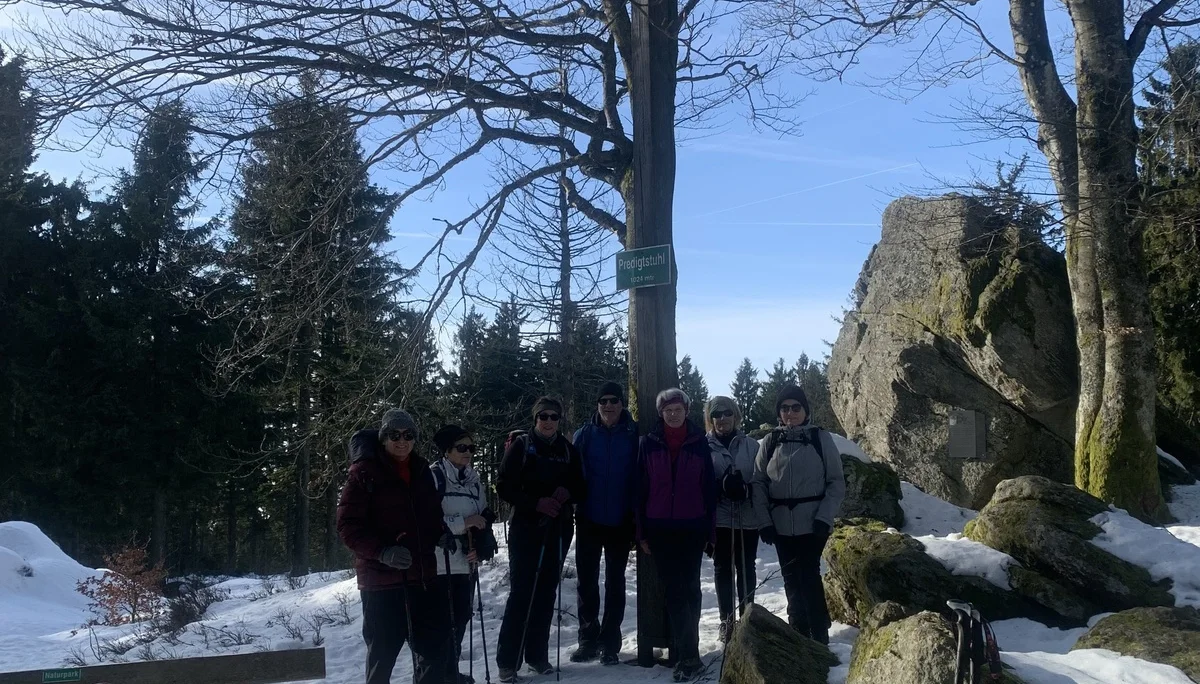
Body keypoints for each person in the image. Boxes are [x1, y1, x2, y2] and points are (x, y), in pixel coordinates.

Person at [337, 408, 449, 684]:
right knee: (382, 658)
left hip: (422, 579)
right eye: (394, 435)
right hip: (381, 585)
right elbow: (347, 526)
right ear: (383, 438)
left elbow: (432, 515)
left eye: (409, 434)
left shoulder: (422, 470)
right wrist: (382, 552)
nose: (402, 441)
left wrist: (440, 534)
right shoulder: (364, 473)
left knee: (434, 654)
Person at [495, 397, 587, 683]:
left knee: (546, 593)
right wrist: (535, 503)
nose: (548, 422)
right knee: (523, 593)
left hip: (558, 528)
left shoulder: (567, 450)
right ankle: (508, 662)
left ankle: (536, 655)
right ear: (534, 419)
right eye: (543, 417)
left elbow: (580, 486)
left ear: (560, 420)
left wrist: (566, 492)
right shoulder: (522, 447)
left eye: (553, 417)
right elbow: (503, 486)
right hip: (526, 528)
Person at [751, 385, 846, 645]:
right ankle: (799, 636)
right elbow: (758, 482)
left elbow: (836, 482)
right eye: (785, 408)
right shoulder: (770, 442)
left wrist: (824, 518)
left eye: (796, 408)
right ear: (779, 412)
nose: (790, 413)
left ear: (805, 411)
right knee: (791, 581)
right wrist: (764, 522)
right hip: (780, 526)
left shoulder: (820, 439)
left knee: (809, 578)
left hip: (812, 524)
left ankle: (819, 638)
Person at [634, 388, 717, 682]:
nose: (673, 414)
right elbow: (639, 490)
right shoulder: (648, 444)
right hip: (660, 529)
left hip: (693, 527)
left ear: (686, 411)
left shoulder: (698, 443)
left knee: (692, 590)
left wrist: (710, 532)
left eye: (677, 409)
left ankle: (687, 651)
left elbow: (709, 489)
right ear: (660, 413)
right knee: (676, 591)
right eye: (667, 410)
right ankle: (689, 655)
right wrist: (641, 532)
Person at [570, 381, 639, 665]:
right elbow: (572, 474)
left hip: (621, 519)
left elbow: (640, 475)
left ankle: (610, 641)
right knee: (587, 581)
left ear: (622, 404)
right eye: (603, 401)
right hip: (589, 517)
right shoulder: (584, 435)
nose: (608, 406)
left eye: (613, 400)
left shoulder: (634, 434)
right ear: (597, 405)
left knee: (615, 582)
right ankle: (587, 638)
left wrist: (636, 515)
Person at [431, 425, 498, 684]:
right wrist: (464, 522)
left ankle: (450, 673)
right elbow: (428, 519)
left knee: (459, 621)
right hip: (439, 563)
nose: (468, 452)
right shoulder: (434, 477)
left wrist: (480, 546)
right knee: (440, 625)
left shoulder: (473, 480)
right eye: (462, 447)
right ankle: (435, 675)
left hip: (466, 563)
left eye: (471, 448)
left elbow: (482, 517)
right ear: (447, 451)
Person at [705, 396, 765, 643]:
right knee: (722, 569)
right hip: (719, 517)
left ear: (736, 415)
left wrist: (747, 489)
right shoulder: (703, 446)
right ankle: (726, 621)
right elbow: (698, 480)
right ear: (710, 419)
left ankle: (747, 617)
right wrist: (719, 487)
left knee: (746, 566)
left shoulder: (751, 445)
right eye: (716, 414)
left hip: (746, 517)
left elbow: (762, 478)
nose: (722, 419)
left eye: (727, 413)